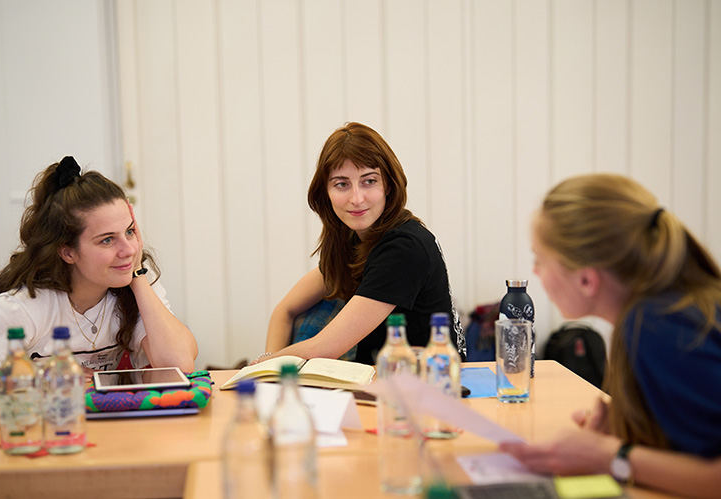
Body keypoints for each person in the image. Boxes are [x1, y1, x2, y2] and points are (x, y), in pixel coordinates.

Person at [499, 174, 721, 498]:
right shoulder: (668, 311)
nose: (535, 272)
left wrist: (607, 456)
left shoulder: (657, 326)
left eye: (539, 260)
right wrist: (628, 428)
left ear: (586, 281)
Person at [0, 156, 198, 384]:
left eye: (129, 231)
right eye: (107, 240)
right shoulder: (26, 307)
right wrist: (36, 372)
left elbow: (179, 365)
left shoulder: (134, 281)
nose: (129, 250)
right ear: (68, 252)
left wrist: (137, 277)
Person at [259, 122, 464, 366]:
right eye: (342, 184)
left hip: (430, 382)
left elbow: (323, 349)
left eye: (369, 181)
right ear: (325, 192)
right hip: (380, 378)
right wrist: (269, 369)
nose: (356, 198)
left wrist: (259, 369)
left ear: (388, 185)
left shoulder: (404, 247)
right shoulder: (354, 240)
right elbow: (285, 311)